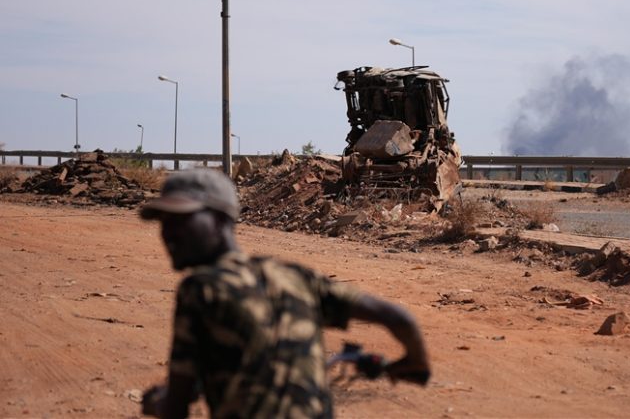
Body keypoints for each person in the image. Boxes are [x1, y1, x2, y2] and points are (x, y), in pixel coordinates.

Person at [139, 168, 430, 419]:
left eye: (180, 221)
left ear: (219, 219)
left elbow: (176, 408)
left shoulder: (200, 289)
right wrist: (415, 362)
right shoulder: (294, 276)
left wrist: (156, 404)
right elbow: (399, 318)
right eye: (164, 222)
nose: (169, 233)